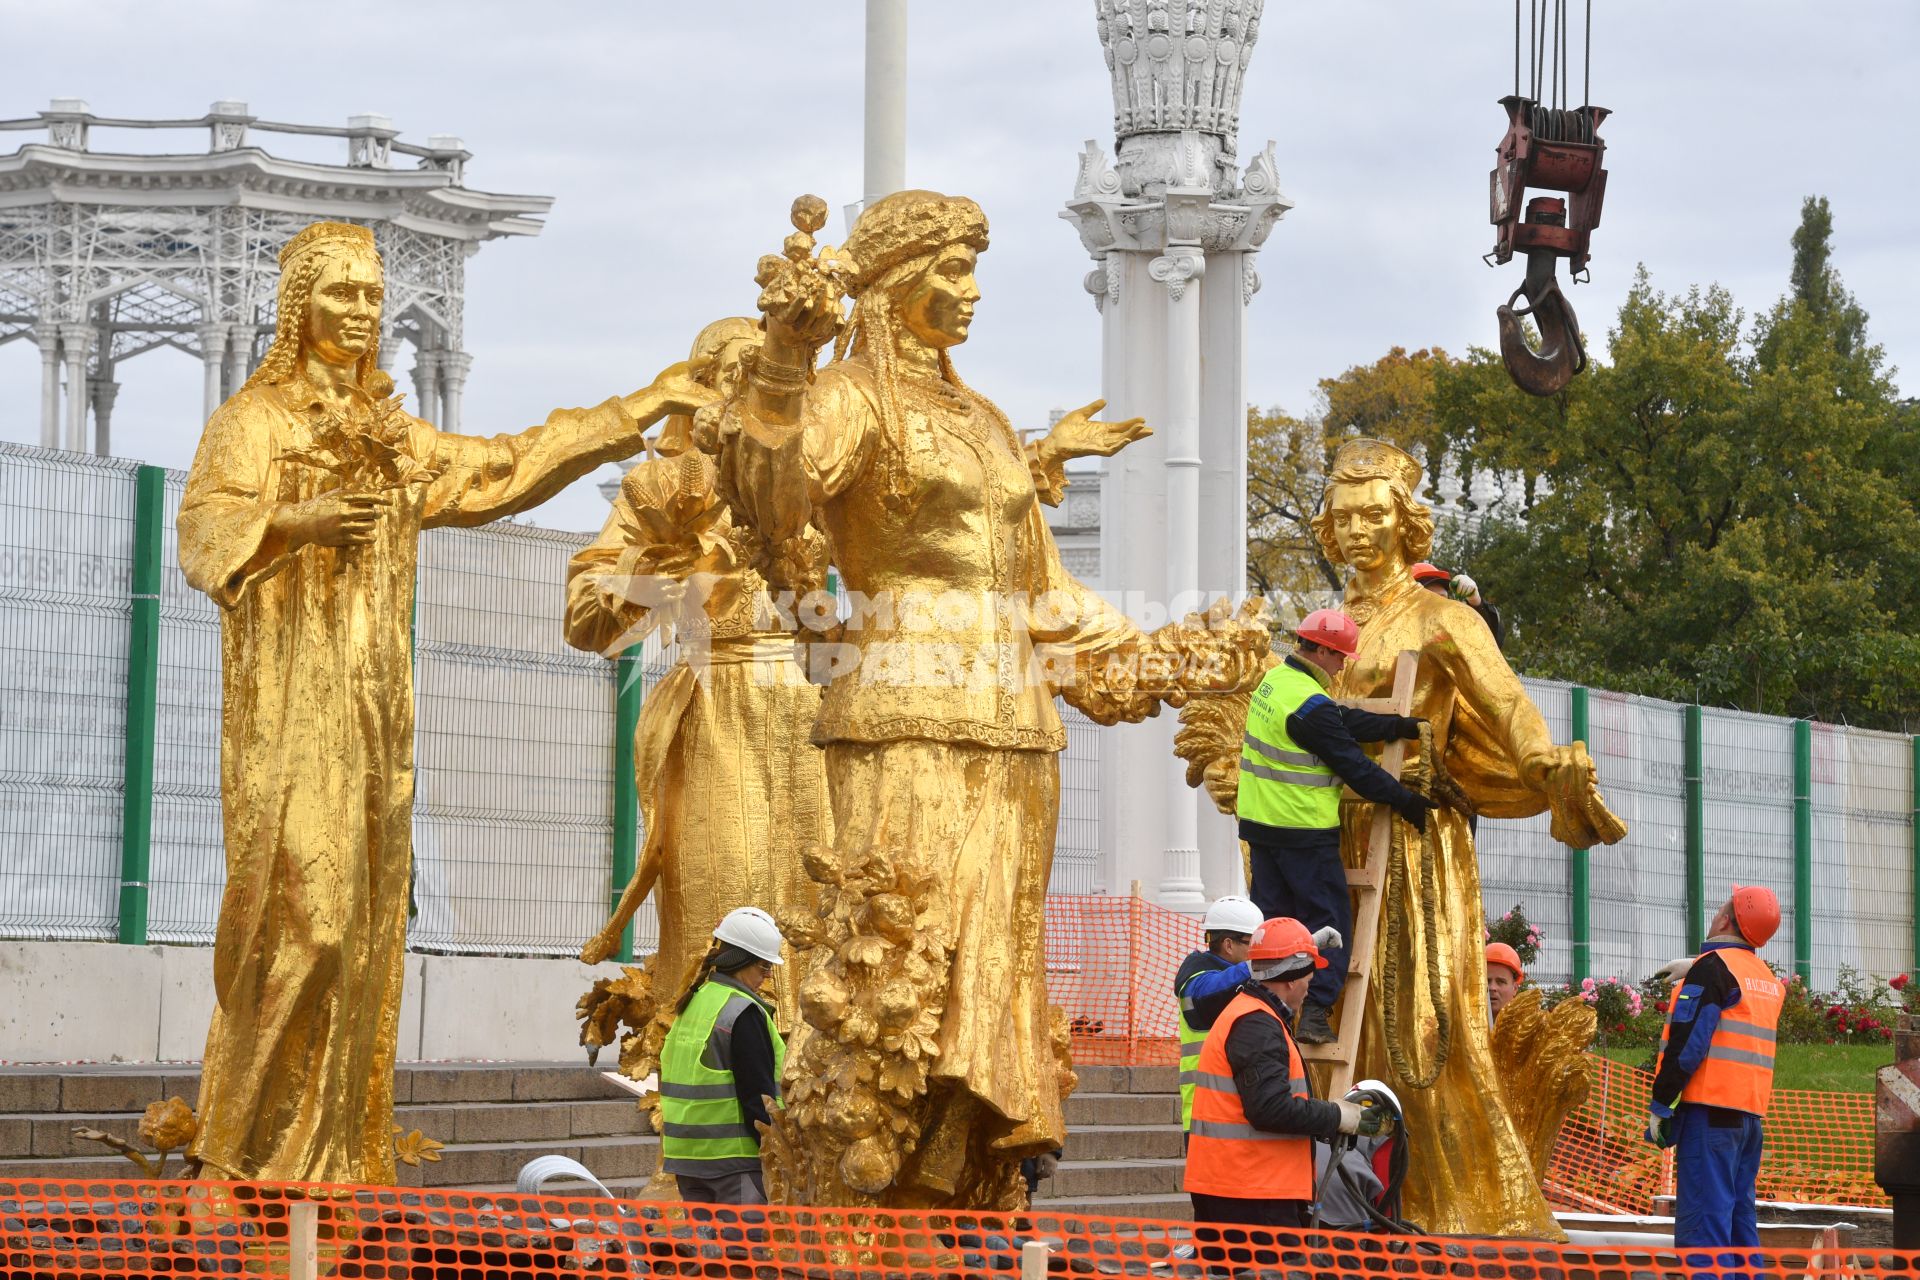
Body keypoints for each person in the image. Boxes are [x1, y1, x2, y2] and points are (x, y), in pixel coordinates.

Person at [706, 189, 1266, 1204]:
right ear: (884, 286)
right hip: (902, 717)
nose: (968, 293)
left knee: (989, 980)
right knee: (901, 968)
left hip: (1014, 732)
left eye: (974, 272)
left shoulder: (987, 419)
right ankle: (866, 1194)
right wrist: (785, 365)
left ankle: (959, 1190)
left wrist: (1164, 653)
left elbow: (1043, 595)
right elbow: (775, 503)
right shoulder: (848, 394)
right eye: (948, 271)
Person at [177, 220, 715, 1183]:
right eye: (341, 292)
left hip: (376, 721)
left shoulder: (396, 438)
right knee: (304, 925)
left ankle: (326, 1171)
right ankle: (229, 1160)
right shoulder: (253, 421)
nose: (362, 310)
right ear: (299, 306)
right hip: (290, 713)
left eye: (373, 295)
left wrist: (639, 406)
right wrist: (293, 522)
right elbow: (205, 537)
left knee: (364, 935)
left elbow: (508, 463)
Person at [1237, 608, 1432, 1043]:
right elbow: (1355, 768)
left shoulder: (1277, 684)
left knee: (1274, 923)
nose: (1343, 664)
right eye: (1340, 656)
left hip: (1262, 829)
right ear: (1321, 650)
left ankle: (1269, 1008)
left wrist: (1396, 727)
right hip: (1303, 832)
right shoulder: (1310, 706)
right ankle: (1315, 1010)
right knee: (1329, 923)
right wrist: (1407, 801)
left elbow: (1338, 720)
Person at [1184, 917, 1379, 1260]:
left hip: (1244, 1190)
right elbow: (1269, 1109)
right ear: (1291, 979)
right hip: (1250, 1196)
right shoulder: (1256, 1023)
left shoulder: (1254, 1015)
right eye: (1308, 975)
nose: (1309, 983)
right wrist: (1338, 1116)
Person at [1646, 885, 1785, 1260]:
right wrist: (1696, 967)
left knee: (1703, 1235)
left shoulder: (1713, 971)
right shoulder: (1766, 979)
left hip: (1710, 1119)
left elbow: (1688, 1047)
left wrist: (1661, 1103)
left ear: (1725, 918)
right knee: (1740, 1231)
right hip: (1748, 1121)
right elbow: (1733, 987)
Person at [659, 906, 788, 1205]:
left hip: (686, 1158)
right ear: (741, 960)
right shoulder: (742, 1012)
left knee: (706, 1250)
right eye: (763, 967)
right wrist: (778, 1151)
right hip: (736, 1163)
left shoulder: (693, 1002)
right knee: (744, 1250)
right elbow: (758, 1096)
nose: (766, 977)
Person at [1175, 895, 1265, 1136]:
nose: (1259, 951)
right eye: (1254, 944)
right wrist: (1265, 961)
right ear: (1228, 944)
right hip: (1206, 1116)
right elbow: (1216, 988)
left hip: (1234, 1110)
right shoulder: (1196, 982)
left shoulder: (1237, 976)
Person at [1486, 942, 1525, 1021]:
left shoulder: (1524, 1029)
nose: (1492, 987)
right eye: (1487, 981)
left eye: (1500, 982)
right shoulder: (1462, 1026)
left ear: (1515, 988)